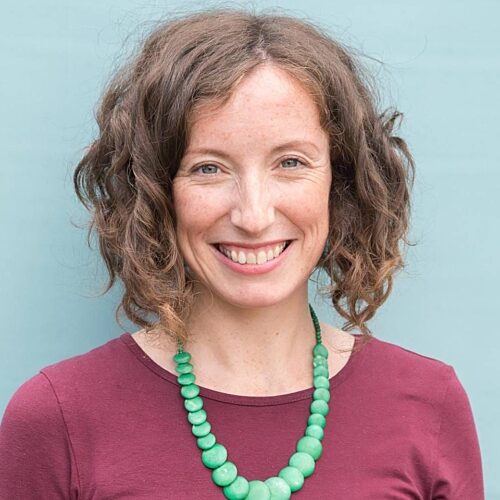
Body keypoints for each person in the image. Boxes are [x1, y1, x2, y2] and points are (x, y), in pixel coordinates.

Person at [0, 8, 484, 499]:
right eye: (208, 168)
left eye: (291, 162)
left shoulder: (429, 404)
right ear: (155, 191)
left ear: (339, 184)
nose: (253, 215)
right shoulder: (57, 417)